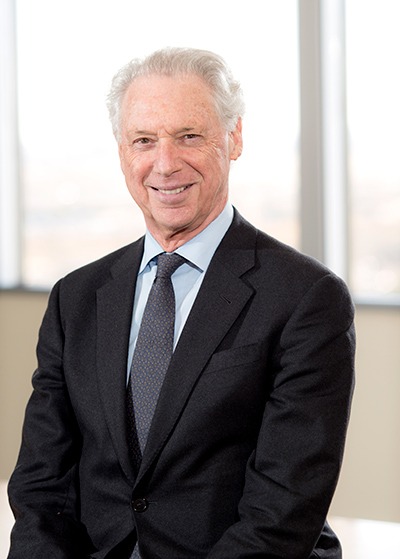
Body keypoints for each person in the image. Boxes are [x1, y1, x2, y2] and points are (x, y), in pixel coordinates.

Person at [7, 47, 355, 559]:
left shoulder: (306, 298)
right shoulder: (75, 298)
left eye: (189, 136)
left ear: (234, 138)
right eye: (144, 140)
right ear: (122, 151)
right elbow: (41, 488)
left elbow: (281, 513)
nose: (165, 164)